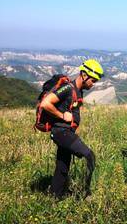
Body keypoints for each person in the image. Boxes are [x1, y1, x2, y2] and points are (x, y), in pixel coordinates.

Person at [39, 59, 104, 198]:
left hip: (66, 132)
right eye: (93, 80)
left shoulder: (79, 91)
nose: (93, 84)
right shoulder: (68, 88)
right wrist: (62, 115)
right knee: (89, 156)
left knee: (63, 166)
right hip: (61, 132)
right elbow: (45, 104)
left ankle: (55, 195)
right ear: (84, 75)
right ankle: (86, 193)